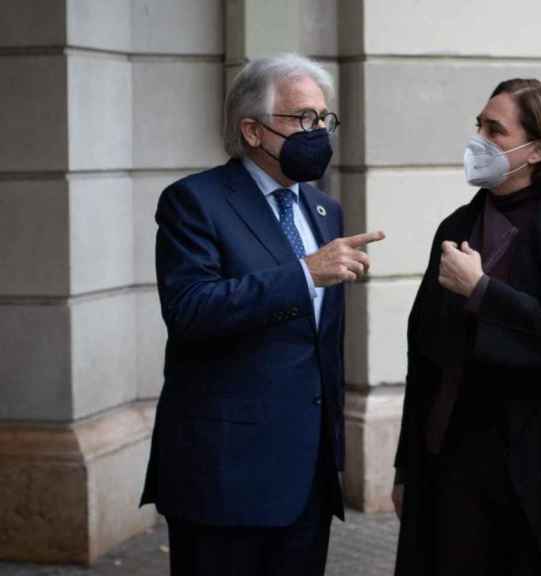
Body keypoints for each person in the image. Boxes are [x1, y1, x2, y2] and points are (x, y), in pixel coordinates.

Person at [140, 54, 385, 576]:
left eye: (323, 119)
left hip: (307, 479)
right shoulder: (194, 201)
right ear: (252, 130)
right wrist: (302, 274)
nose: (317, 131)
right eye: (302, 119)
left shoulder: (324, 210)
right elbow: (190, 309)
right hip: (225, 475)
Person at [391, 78, 541, 576]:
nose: (479, 138)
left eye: (495, 129)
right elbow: (424, 352)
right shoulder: (456, 225)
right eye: (479, 124)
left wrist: (484, 293)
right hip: (454, 462)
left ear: (536, 149)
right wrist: (407, 466)